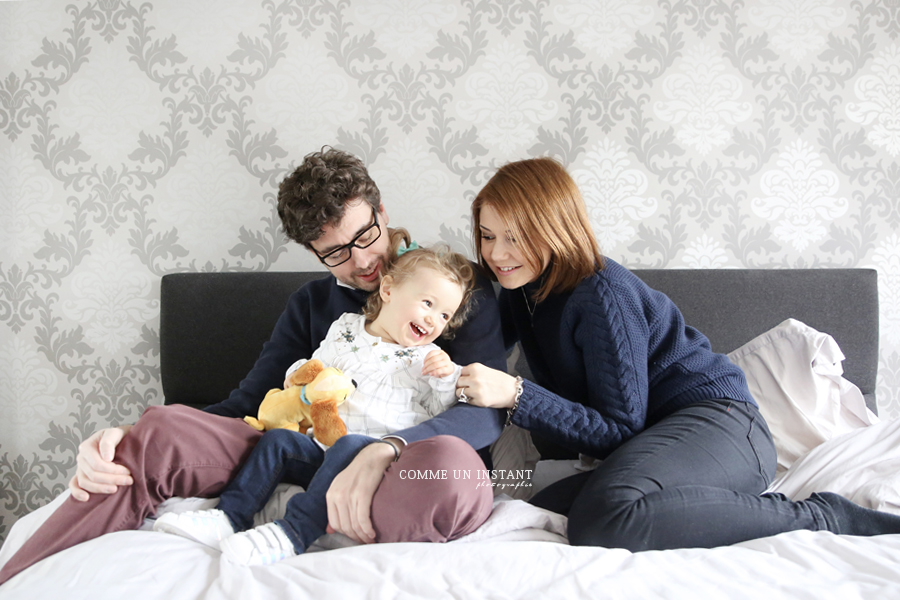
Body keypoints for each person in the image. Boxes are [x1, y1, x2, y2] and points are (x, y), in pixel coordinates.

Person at [0, 148, 506, 584]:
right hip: (308, 454)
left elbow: (485, 413)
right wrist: (129, 435)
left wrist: (385, 449)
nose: (362, 261)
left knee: (451, 470)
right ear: (313, 252)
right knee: (159, 428)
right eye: (335, 253)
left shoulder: (453, 291)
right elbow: (247, 404)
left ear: (381, 212)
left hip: (411, 464)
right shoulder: (312, 306)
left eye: (364, 235)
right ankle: (14, 578)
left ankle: (328, 526)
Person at [454, 156, 900, 551]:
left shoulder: (600, 293)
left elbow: (619, 427)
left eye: (514, 238)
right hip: (654, 445)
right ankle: (714, 503)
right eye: (488, 236)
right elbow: (472, 340)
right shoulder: (522, 289)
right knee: (543, 505)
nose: (497, 254)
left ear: (553, 228)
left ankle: (821, 516)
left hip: (724, 426)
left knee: (602, 518)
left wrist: (517, 394)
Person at [152, 241, 492, 565]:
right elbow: (318, 367)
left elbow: (440, 416)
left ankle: (291, 534)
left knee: (349, 445)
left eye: (445, 315)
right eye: (428, 303)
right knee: (279, 441)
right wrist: (298, 374)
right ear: (388, 290)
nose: (434, 320)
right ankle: (228, 517)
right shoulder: (345, 328)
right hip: (320, 448)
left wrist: (445, 379)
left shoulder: (429, 359)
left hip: (374, 464)